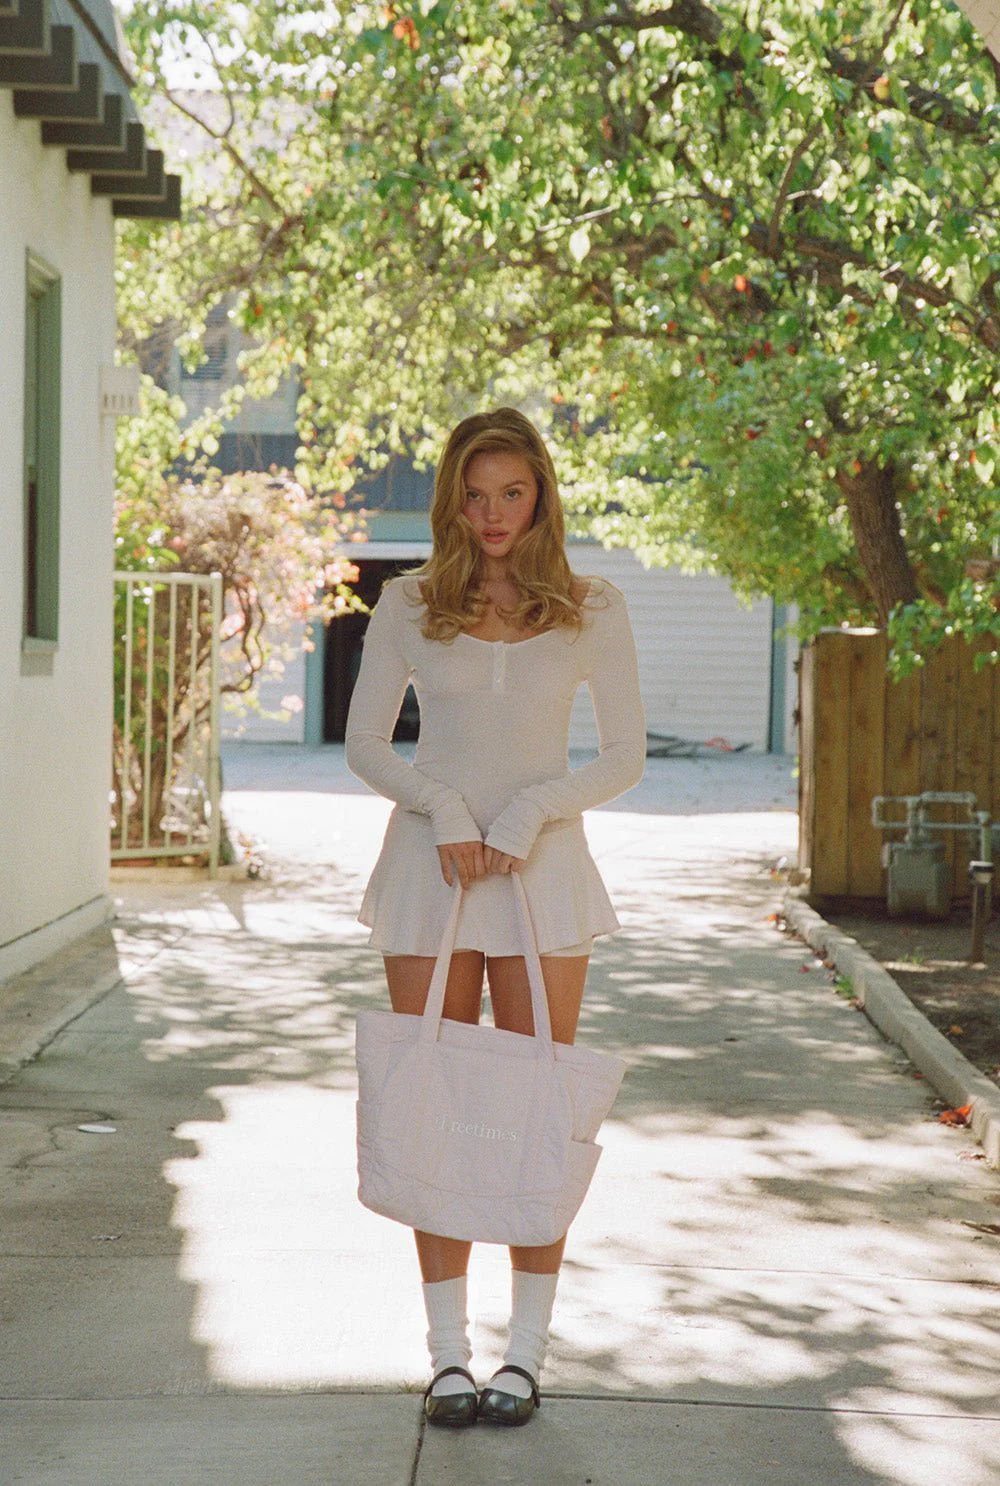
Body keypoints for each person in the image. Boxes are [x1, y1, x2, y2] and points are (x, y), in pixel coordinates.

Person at [344, 407, 646, 1427]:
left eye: (512, 492)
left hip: (541, 878)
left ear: (541, 495)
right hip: (427, 876)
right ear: (452, 501)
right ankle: (446, 1356)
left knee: (535, 1113)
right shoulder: (407, 602)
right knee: (429, 1104)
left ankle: (524, 1355)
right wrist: (444, 810)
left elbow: (623, 754)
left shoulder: (592, 607)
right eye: (475, 495)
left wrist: (526, 814)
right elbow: (367, 743)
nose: (493, 514)